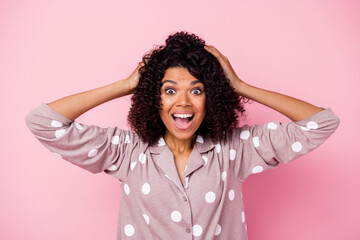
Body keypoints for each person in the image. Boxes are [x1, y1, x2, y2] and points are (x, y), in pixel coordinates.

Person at [25, 31, 340, 240]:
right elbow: (43, 122)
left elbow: (321, 123)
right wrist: (125, 84)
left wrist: (241, 86)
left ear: (212, 97)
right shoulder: (127, 151)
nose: (183, 102)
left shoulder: (235, 149)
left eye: (197, 90)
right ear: (154, 98)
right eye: (170, 90)